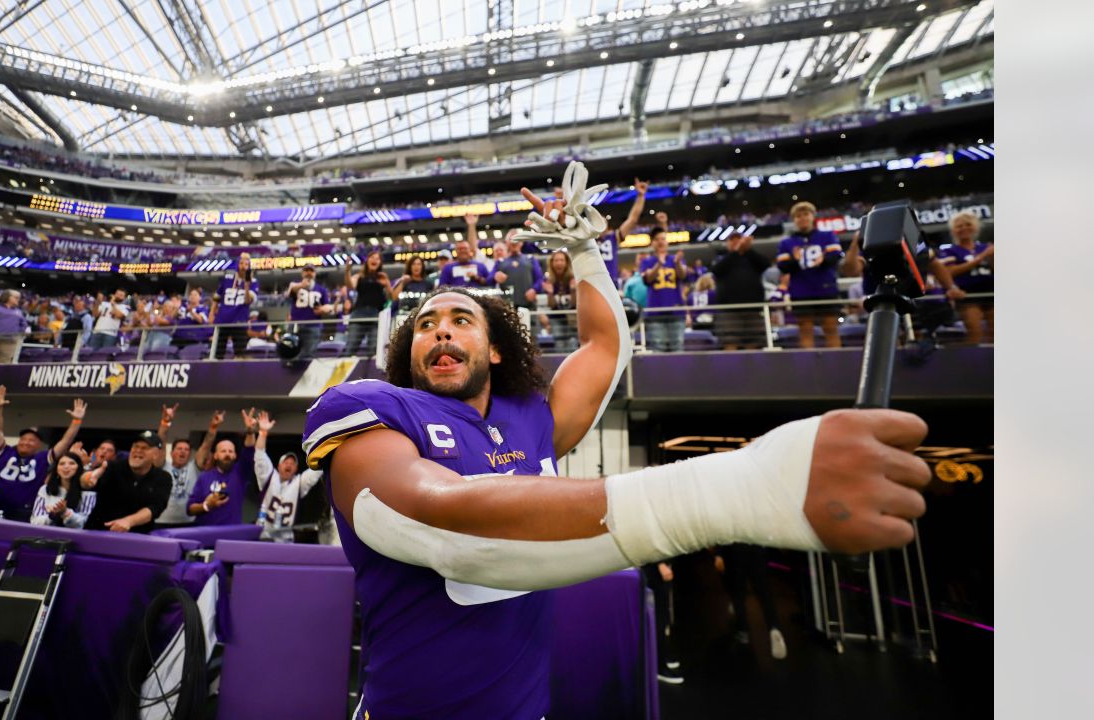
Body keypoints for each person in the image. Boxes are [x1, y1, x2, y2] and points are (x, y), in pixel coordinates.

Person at [300, 163, 930, 718]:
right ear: (405, 354)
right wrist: (745, 486)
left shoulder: (530, 417)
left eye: (460, 319)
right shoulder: (368, 407)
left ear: (494, 348)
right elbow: (447, 531)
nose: (439, 332)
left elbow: (605, 346)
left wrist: (584, 252)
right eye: (425, 326)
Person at [0, 385, 87, 521]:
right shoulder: (4, 452)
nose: (26, 442)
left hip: (24, 511)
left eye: (32, 440)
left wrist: (76, 421)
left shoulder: (42, 458)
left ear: (39, 445)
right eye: (23, 439)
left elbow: (65, 441)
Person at [776, 202, 843, 348]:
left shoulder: (827, 236)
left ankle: (836, 364)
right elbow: (782, 266)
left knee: (831, 328)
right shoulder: (787, 242)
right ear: (793, 220)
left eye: (806, 214)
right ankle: (809, 366)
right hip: (801, 291)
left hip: (826, 288)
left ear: (813, 216)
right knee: (805, 329)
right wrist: (796, 260)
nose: (802, 218)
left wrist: (823, 260)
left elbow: (836, 257)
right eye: (798, 216)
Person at [82, 431, 172, 533]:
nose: (138, 450)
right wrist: (87, 479)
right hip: (98, 533)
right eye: (135, 446)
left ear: (156, 454)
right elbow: (86, 482)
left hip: (136, 539)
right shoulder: (112, 468)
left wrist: (129, 521)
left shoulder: (163, 478)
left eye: (144, 448)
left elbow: (155, 508)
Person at [253, 411, 323, 542]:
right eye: (286, 462)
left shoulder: (299, 483)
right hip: (263, 537)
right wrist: (262, 433)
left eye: (292, 463)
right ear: (279, 466)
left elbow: (316, 470)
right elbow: (260, 456)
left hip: (285, 541)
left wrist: (326, 448)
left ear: (296, 469)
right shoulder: (269, 477)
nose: (289, 465)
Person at [715, 545, 788, 660]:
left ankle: (744, 632)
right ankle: (774, 627)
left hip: (735, 551)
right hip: (756, 549)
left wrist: (718, 553)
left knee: (738, 594)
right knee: (764, 593)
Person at [937, 211, 994, 344]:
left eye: (968, 224)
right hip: (967, 295)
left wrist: (992, 257)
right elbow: (950, 271)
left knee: (995, 333)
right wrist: (981, 257)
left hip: (991, 292)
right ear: (953, 230)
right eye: (959, 226)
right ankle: (972, 363)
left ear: (976, 226)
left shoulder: (985, 247)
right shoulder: (949, 250)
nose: (964, 228)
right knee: (975, 332)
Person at [710, 234, 770, 350]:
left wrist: (749, 250)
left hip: (753, 308)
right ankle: (731, 368)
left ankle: (752, 367)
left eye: (739, 240)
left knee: (754, 342)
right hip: (729, 310)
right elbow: (717, 270)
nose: (736, 243)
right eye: (732, 240)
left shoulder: (752, 258)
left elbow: (766, 264)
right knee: (729, 341)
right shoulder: (722, 258)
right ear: (727, 243)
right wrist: (736, 252)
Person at [638, 229, 687, 352]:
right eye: (657, 239)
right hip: (655, 313)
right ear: (652, 243)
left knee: (677, 348)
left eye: (663, 239)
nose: (660, 242)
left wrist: (677, 263)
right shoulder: (647, 261)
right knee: (658, 349)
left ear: (667, 242)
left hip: (676, 312)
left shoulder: (676, 259)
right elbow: (648, 279)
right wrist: (659, 263)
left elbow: (682, 276)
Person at [342, 250, 391, 357]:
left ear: (380, 263)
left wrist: (387, 284)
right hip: (359, 315)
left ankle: (371, 373)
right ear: (367, 261)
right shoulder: (359, 276)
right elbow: (350, 285)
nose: (374, 260)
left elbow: (391, 297)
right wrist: (347, 271)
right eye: (372, 257)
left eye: (377, 258)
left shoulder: (382, 277)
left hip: (376, 316)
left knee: (374, 349)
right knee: (351, 346)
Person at [29, 451, 95, 529]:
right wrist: (52, 515)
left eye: (71, 463)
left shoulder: (88, 492)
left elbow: (84, 523)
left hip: (75, 538)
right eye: (62, 464)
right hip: (47, 537)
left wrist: (65, 512)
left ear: (79, 468)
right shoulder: (45, 489)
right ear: (57, 469)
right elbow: (35, 522)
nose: (66, 467)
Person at [213, 254, 258, 359]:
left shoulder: (254, 282)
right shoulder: (227, 278)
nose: (244, 266)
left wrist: (246, 286)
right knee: (217, 352)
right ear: (238, 265)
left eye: (246, 264)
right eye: (242, 263)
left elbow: (248, 301)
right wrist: (212, 313)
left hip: (239, 320)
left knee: (240, 353)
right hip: (223, 319)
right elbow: (216, 297)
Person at [286, 266, 334, 363]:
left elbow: (328, 307)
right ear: (302, 273)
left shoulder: (321, 289)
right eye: (306, 270)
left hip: (313, 326)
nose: (309, 273)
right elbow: (289, 294)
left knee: (309, 353)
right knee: (291, 350)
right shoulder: (295, 285)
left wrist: (322, 309)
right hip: (296, 325)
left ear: (315, 274)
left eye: (311, 271)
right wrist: (301, 285)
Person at [492, 230, 545, 311]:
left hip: (528, 304)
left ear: (522, 242)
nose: (514, 242)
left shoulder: (530, 259)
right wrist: (495, 277)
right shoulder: (500, 261)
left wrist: (534, 289)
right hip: (507, 306)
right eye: (511, 239)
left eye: (517, 239)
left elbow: (540, 279)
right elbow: (488, 280)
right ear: (506, 243)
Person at [541, 250, 578, 352]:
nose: (559, 263)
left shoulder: (573, 278)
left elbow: (574, 304)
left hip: (573, 319)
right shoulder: (548, 280)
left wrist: (573, 290)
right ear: (552, 263)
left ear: (566, 263)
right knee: (560, 345)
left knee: (573, 345)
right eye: (556, 260)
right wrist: (550, 293)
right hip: (556, 319)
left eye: (561, 260)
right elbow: (551, 305)